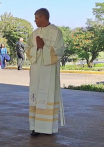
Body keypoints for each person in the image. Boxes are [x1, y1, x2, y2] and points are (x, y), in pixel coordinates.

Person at [25, 8, 65, 136]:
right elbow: (27, 49)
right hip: (37, 69)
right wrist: (37, 47)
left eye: (36, 18)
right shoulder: (34, 33)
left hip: (49, 69)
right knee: (35, 95)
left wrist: (44, 47)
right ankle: (35, 127)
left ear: (43, 17)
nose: (35, 20)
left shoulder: (56, 32)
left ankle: (47, 128)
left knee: (48, 95)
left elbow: (60, 51)